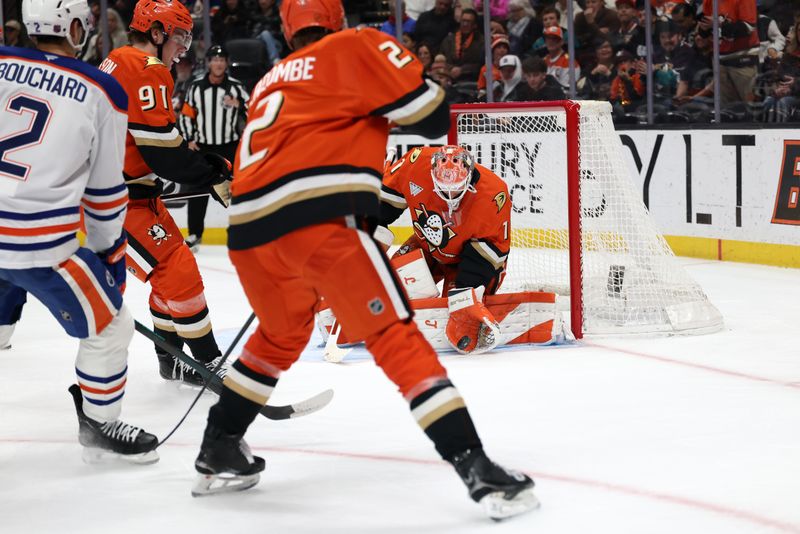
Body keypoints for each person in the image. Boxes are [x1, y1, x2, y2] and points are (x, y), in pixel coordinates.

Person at [192, 0, 538, 520]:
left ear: (288, 31)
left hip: (247, 230)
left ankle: (219, 443)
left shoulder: (270, 79)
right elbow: (431, 116)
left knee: (280, 335)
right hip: (319, 220)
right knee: (396, 337)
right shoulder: (357, 45)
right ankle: (477, 468)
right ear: (336, 19)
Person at [0, 0, 157, 463]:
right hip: (39, 244)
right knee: (111, 327)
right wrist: (111, 254)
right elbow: (106, 191)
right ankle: (101, 428)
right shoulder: (101, 89)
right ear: (71, 26)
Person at [99, 0, 232, 386]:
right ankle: (209, 363)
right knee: (178, 270)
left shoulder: (118, 58)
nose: (184, 48)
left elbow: (155, 144)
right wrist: (209, 173)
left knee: (168, 274)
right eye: (180, 37)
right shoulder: (146, 69)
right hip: (118, 201)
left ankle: (169, 360)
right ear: (156, 33)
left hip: (131, 195)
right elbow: (164, 155)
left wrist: (199, 163)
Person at [378, 146, 512, 307]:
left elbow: (492, 251)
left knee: (460, 313)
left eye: (456, 188)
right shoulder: (415, 164)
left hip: (472, 260)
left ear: (469, 177)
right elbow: (384, 203)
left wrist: (462, 295)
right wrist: (369, 231)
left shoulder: (494, 195)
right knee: (392, 291)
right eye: (443, 187)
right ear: (432, 174)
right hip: (427, 247)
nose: (449, 194)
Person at [179, 44, 249, 251]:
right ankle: (194, 234)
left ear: (226, 63)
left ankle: (238, 230)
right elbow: (186, 115)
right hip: (204, 148)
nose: (218, 63)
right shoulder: (196, 87)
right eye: (214, 59)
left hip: (229, 146)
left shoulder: (236, 87)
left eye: (222, 60)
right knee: (197, 190)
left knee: (237, 190)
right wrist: (189, 139)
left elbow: (254, 108)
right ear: (209, 62)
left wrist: (238, 104)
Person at [439, 7, 485, 82]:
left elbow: (481, 65)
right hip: (449, 79)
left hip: (471, 81)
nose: (465, 24)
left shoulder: (481, 42)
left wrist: (462, 70)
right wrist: (451, 69)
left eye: (468, 22)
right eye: (463, 21)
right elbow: (441, 59)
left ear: (475, 25)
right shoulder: (449, 40)